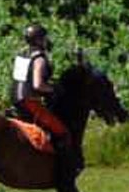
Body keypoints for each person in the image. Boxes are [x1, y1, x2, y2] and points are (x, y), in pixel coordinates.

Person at [11, 24, 81, 178]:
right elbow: (37, 84)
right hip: (30, 101)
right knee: (62, 132)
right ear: (39, 40)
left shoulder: (22, 54)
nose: (47, 41)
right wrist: (55, 89)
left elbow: (23, 79)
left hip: (16, 99)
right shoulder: (39, 58)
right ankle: (64, 173)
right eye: (44, 38)